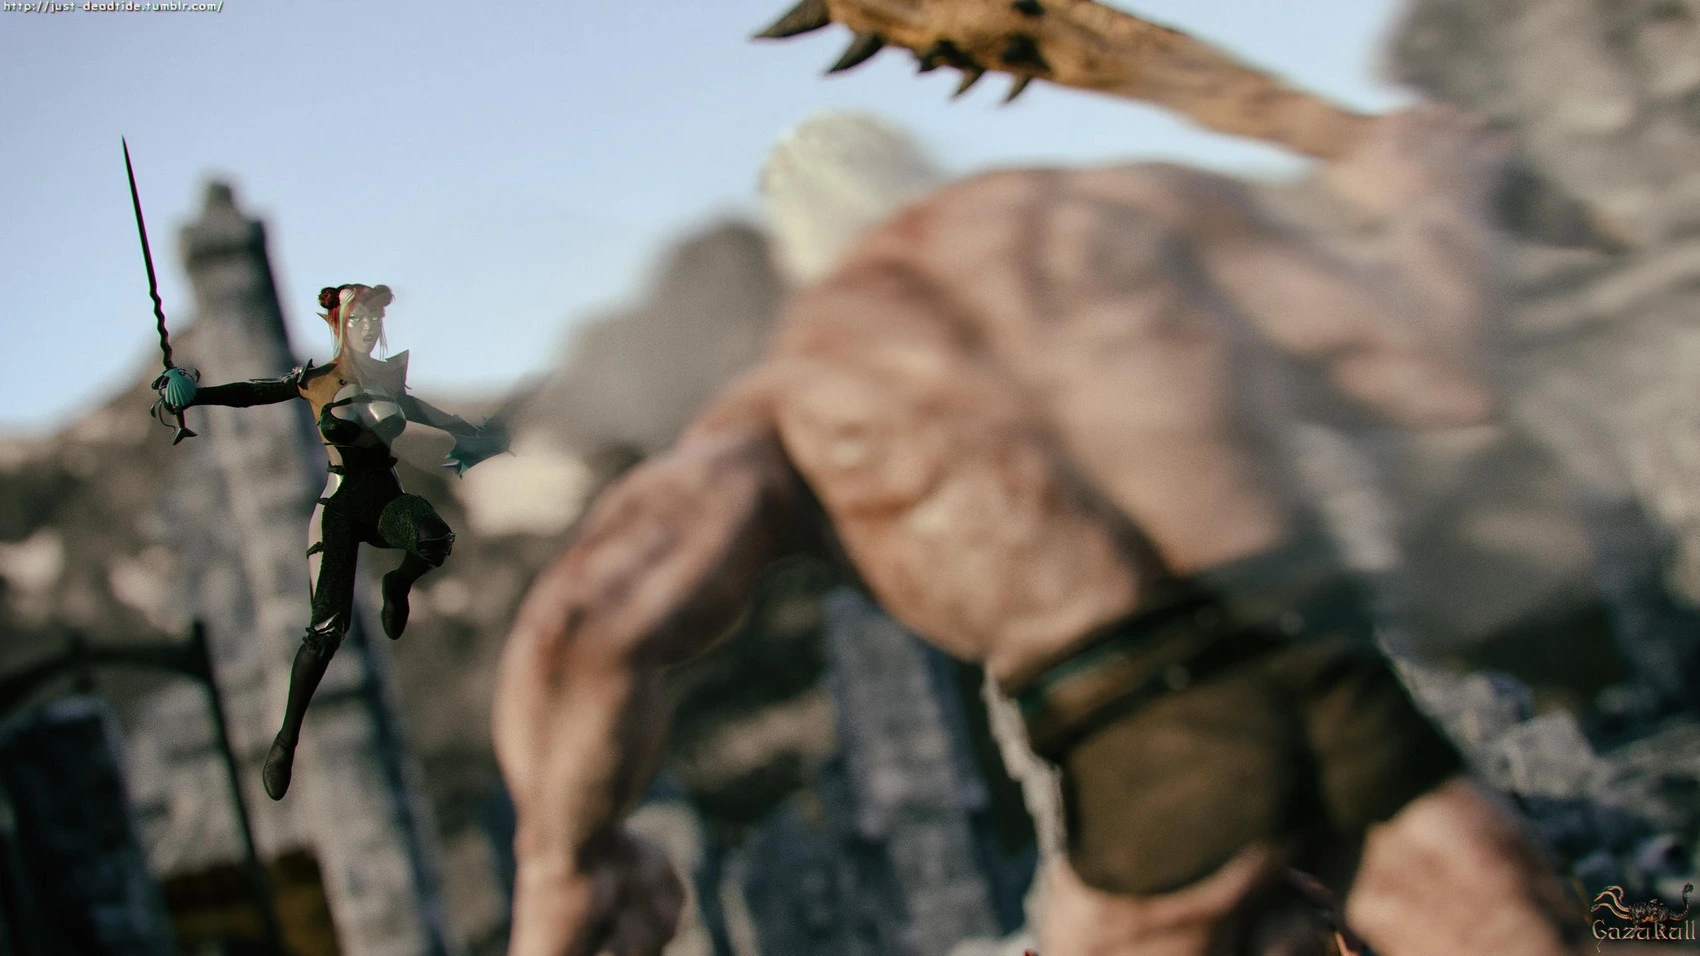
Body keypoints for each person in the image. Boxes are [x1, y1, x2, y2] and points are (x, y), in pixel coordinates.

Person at [489, 107, 1610, 956]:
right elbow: (1442, 371)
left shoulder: (797, 387)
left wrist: (566, 862)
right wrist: (1430, 194)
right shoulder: (1131, 207)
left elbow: (588, 622)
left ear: (795, 257)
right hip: (1333, 674)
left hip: (1148, 740)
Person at [157, 283, 506, 799]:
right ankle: (286, 741)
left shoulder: (388, 381)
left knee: (435, 537)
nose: (368, 327)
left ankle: (397, 584)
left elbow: (430, 414)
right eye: (358, 319)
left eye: (374, 320)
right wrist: (196, 395)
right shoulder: (315, 380)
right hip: (340, 510)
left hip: (386, 502)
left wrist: (473, 433)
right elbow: (252, 393)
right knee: (325, 633)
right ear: (339, 325)